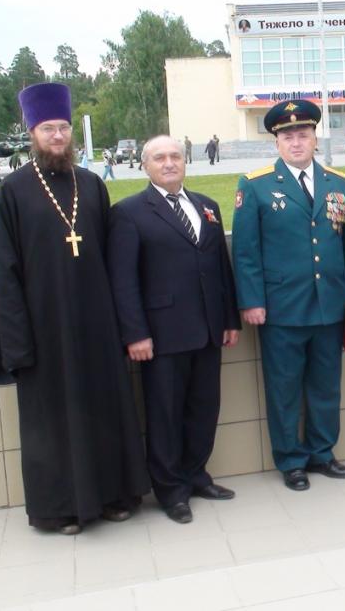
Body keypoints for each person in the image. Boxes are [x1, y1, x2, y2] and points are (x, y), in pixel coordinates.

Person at [0, 82, 149, 535]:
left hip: (97, 325)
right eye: (48, 128)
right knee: (53, 423)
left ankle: (113, 495)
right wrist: (17, 344)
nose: (58, 136)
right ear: (32, 133)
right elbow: (3, 275)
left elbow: (115, 260)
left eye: (64, 128)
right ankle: (57, 509)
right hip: (44, 331)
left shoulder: (91, 185)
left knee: (104, 411)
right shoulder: (12, 192)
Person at [107, 136, 241, 524]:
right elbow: (124, 280)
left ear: (186, 162)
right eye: (159, 158)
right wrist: (135, 334)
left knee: (203, 409)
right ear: (145, 166)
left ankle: (197, 475)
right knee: (164, 415)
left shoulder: (207, 207)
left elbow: (220, 270)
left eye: (175, 156)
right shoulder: (129, 213)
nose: (169, 163)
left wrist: (229, 318)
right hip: (161, 336)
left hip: (208, 330)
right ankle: (171, 490)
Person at [232, 99, 345, 492]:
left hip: (328, 305)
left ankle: (322, 452)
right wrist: (252, 301)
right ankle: (291, 460)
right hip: (281, 309)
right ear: (276, 142)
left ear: (315, 137)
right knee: (284, 389)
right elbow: (246, 251)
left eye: (303, 134)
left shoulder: (339, 182)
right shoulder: (255, 185)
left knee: (326, 385)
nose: (296, 141)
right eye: (288, 135)